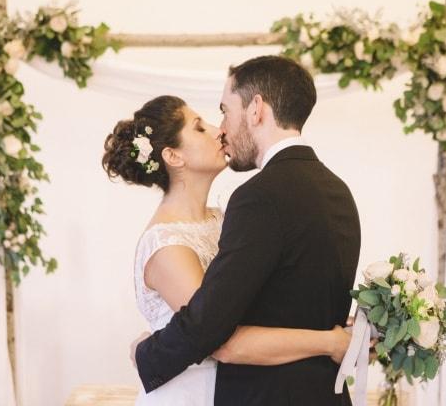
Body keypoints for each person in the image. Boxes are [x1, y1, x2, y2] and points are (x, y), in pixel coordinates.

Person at [129, 55, 363, 405]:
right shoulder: (337, 189)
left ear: (256, 110)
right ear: (171, 157)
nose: (220, 128)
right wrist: (334, 339)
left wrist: (144, 352)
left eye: (224, 111)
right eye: (202, 124)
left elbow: (212, 331)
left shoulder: (256, 199)